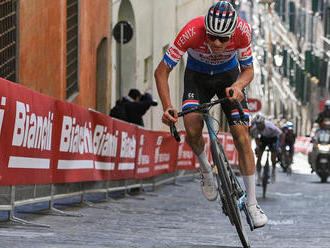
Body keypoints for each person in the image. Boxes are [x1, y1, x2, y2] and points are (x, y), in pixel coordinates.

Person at [154, 1, 267, 228]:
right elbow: (161, 72)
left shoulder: (243, 31)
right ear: (205, 28)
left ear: (232, 34)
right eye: (212, 36)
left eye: (223, 39)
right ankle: (205, 167)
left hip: (228, 75)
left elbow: (249, 70)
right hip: (197, 77)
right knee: (192, 126)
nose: (216, 43)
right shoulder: (191, 32)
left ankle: (253, 205)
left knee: (242, 136)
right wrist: (167, 107)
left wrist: (238, 86)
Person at [250, 114, 283, 185]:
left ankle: (273, 170)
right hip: (264, 139)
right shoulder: (255, 129)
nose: (258, 127)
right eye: (257, 125)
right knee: (259, 156)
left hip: (273, 138)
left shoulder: (271, 127)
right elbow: (257, 139)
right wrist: (258, 147)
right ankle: (258, 176)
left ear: (263, 123)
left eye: (260, 125)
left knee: (273, 157)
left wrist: (280, 146)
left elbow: (281, 135)